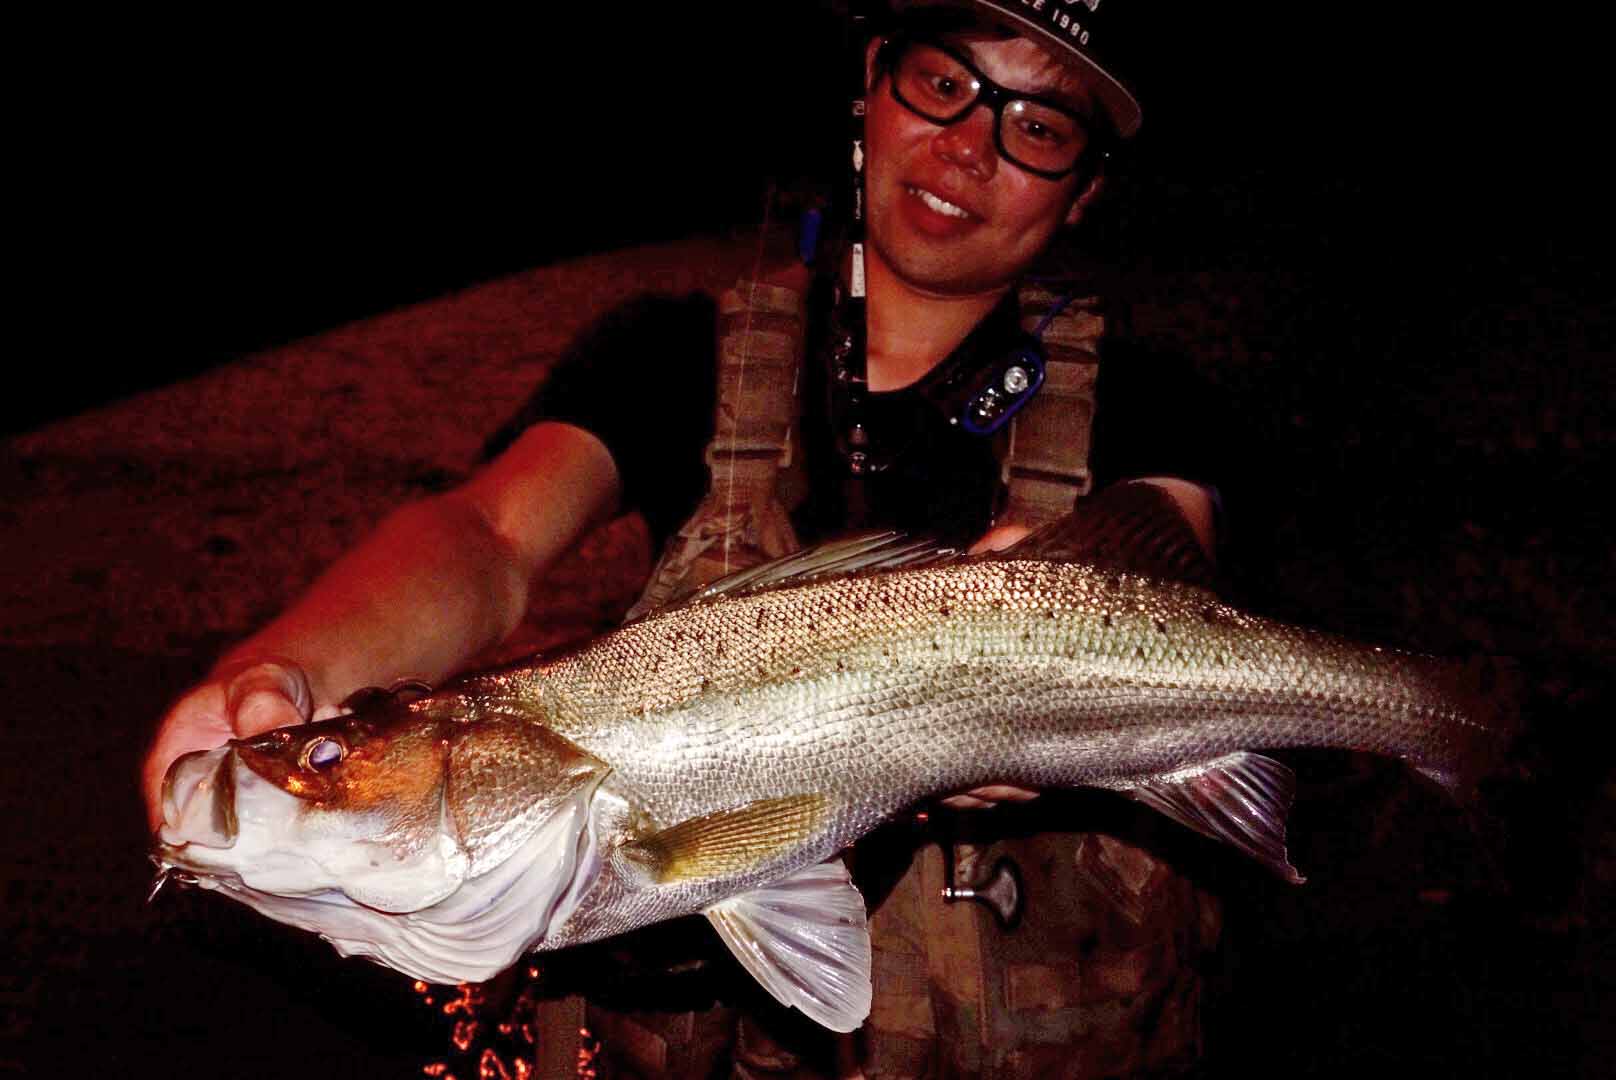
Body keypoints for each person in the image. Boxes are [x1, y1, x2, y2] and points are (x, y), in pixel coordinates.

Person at [144, 2, 1229, 1076]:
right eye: (943, 84)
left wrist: (1061, 640)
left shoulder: (1155, 400)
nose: (967, 147)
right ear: (872, 79)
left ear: (1086, 187)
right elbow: (486, 535)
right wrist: (288, 670)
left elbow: (1176, 575)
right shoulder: (667, 354)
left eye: (1037, 127)